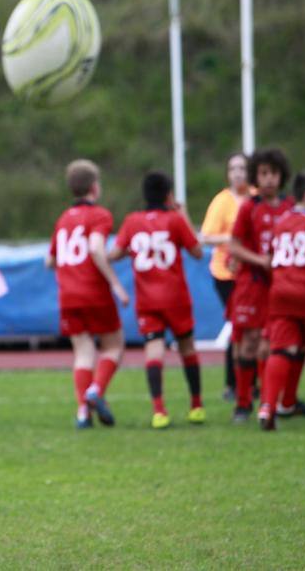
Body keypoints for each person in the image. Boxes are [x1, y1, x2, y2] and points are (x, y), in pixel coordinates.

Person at [226, 148, 305, 421]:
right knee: (250, 343)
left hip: (283, 283)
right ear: (255, 176)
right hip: (255, 283)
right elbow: (233, 246)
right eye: (263, 174)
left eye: (273, 173)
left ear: (281, 175)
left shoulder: (291, 208)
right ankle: (244, 403)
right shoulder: (249, 207)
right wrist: (259, 260)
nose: (268, 179)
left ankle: (283, 400)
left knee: (290, 343)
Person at [110, 172, 205, 429]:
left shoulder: (132, 221)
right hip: (176, 297)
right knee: (187, 348)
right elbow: (197, 252)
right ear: (168, 195)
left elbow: (115, 253)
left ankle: (159, 411)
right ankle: (196, 406)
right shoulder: (175, 220)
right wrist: (182, 214)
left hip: (148, 300)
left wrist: (125, 250)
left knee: (154, 349)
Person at [45, 159, 129, 429]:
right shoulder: (100, 215)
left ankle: (83, 412)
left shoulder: (63, 219)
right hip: (93, 291)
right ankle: (96, 391)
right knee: (114, 345)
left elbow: (50, 260)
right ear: (95, 187)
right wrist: (116, 284)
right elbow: (95, 248)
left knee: (83, 352)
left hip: (68, 295)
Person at [258, 171, 305, 430]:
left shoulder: (282, 220)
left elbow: (271, 258)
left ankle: (268, 406)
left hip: (281, 291)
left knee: (281, 349)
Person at [200, 153, 249, 400]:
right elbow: (206, 236)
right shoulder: (222, 201)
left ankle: (252, 381)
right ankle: (233, 384)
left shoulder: (255, 197)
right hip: (226, 272)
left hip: (252, 271)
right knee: (238, 324)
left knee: (256, 328)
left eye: (242, 168)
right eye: (233, 168)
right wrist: (233, 240)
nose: (238, 173)